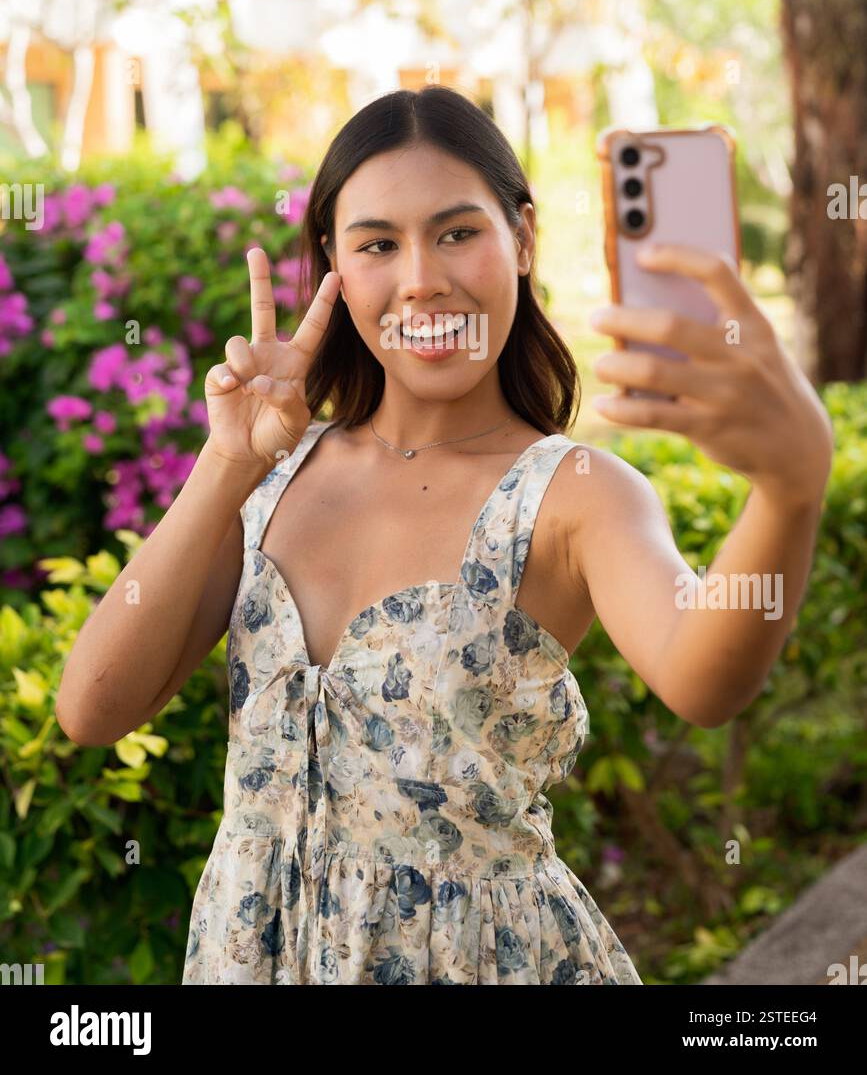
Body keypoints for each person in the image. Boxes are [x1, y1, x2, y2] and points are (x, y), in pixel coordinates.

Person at [56, 86, 834, 985]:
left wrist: (787, 488)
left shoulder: (572, 494)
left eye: (458, 232)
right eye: (378, 243)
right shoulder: (269, 478)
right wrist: (226, 463)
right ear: (332, 268)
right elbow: (93, 709)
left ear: (524, 241)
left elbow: (705, 678)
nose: (421, 275)